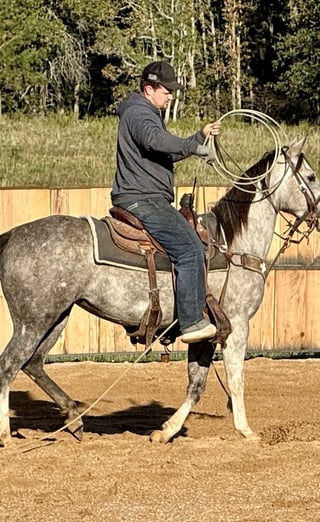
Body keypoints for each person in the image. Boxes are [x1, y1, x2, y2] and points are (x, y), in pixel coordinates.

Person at [111, 61, 221, 344]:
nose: (171, 95)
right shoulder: (139, 114)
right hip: (143, 199)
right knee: (190, 249)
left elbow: (166, 151)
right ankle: (192, 321)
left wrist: (199, 137)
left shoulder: (145, 113)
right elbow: (156, 140)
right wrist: (194, 147)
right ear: (149, 89)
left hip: (143, 197)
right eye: (166, 90)